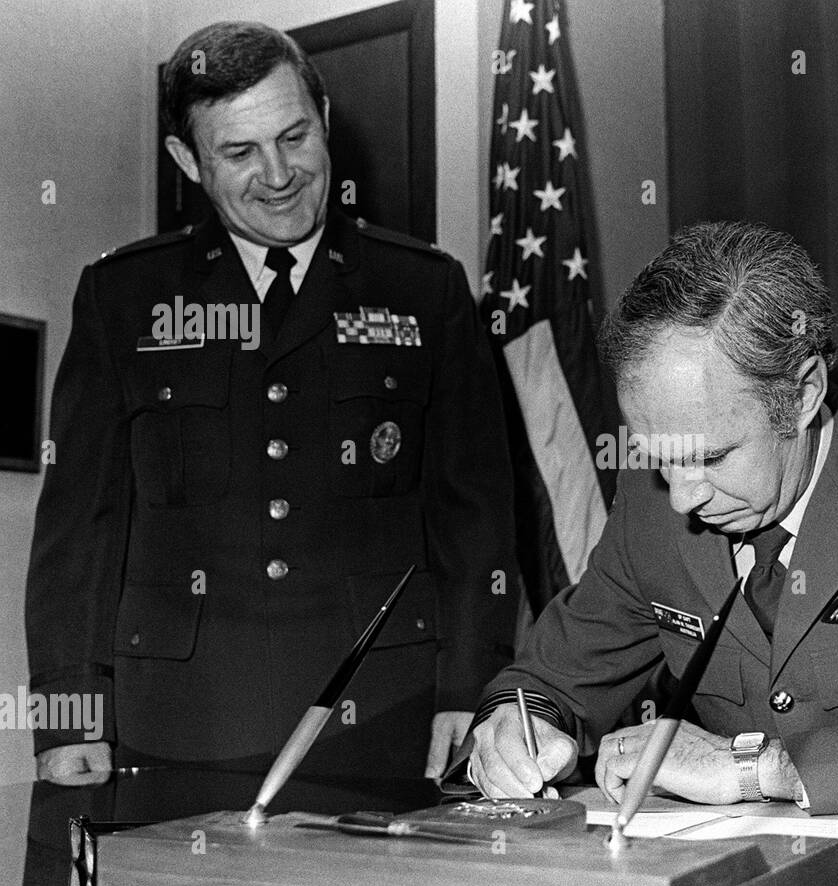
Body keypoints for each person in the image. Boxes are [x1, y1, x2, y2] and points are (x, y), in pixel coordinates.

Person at [26, 22, 516, 784]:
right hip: (180, 722)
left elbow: (473, 515)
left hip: (387, 713)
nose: (279, 173)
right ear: (186, 159)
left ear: (324, 116)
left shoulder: (425, 289)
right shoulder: (125, 298)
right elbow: (79, 527)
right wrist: (68, 715)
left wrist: (473, 690)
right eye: (240, 152)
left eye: (295, 136)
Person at [463, 221, 838, 814]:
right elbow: (549, 679)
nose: (681, 497)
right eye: (658, 459)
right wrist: (517, 729)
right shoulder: (650, 508)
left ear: (804, 393)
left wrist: (761, 768)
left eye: (711, 456)